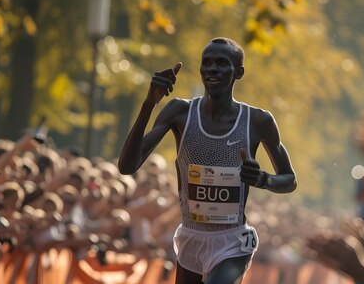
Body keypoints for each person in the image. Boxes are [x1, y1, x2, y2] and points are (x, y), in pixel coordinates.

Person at [118, 37, 297, 284]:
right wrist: (149, 105)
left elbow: (289, 180)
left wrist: (263, 179)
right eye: (207, 63)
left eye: (222, 63)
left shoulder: (257, 120)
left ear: (239, 72)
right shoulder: (179, 112)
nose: (212, 68)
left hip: (232, 242)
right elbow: (127, 167)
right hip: (191, 237)